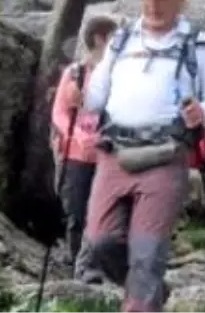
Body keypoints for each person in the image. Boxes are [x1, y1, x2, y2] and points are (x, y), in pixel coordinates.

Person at [82, 0, 205, 312]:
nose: (153, 3)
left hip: (165, 156)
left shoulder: (198, 43)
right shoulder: (121, 40)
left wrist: (202, 112)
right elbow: (97, 95)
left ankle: (143, 297)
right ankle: (151, 293)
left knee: (146, 254)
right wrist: (78, 89)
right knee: (100, 243)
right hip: (115, 152)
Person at [50, 15, 118, 284]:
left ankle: (96, 266)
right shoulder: (74, 73)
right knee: (77, 212)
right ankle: (80, 267)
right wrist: (76, 135)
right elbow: (59, 112)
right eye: (114, 37)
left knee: (103, 212)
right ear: (100, 38)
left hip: (106, 155)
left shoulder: (117, 76)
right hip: (76, 155)